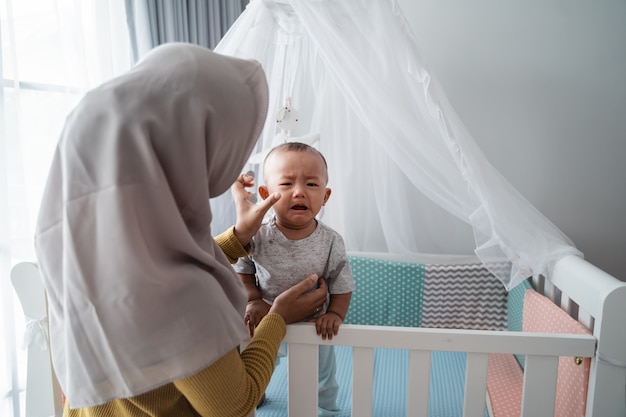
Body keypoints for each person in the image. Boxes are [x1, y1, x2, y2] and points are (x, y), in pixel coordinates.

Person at [33, 42, 328, 417]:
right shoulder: (180, 302)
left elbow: (141, 279)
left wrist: (236, 239)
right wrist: (277, 319)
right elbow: (234, 405)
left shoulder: (71, 254)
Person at [234, 142, 355, 416]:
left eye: (312, 185)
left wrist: (335, 314)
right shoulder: (257, 235)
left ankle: (325, 406)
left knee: (323, 373)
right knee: (257, 361)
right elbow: (243, 268)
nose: (300, 191)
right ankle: (256, 394)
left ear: (325, 195)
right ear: (265, 194)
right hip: (265, 319)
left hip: (314, 323)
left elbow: (341, 283)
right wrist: (253, 299)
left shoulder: (331, 241)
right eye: (287, 184)